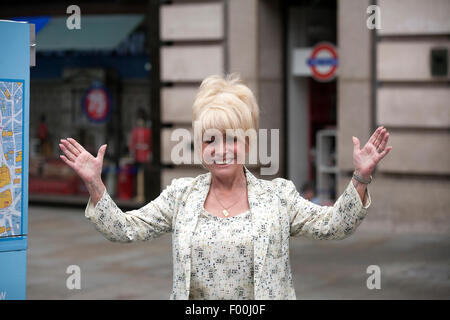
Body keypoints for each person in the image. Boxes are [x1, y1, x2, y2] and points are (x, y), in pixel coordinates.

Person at [58, 74, 392, 300]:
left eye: (231, 138)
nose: (220, 150)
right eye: (210, 140)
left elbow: (334, 225)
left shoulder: (278, 197)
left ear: (247, 142)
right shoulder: (181, 196)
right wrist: (95, 184)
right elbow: (124, 230)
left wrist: (360, 177)